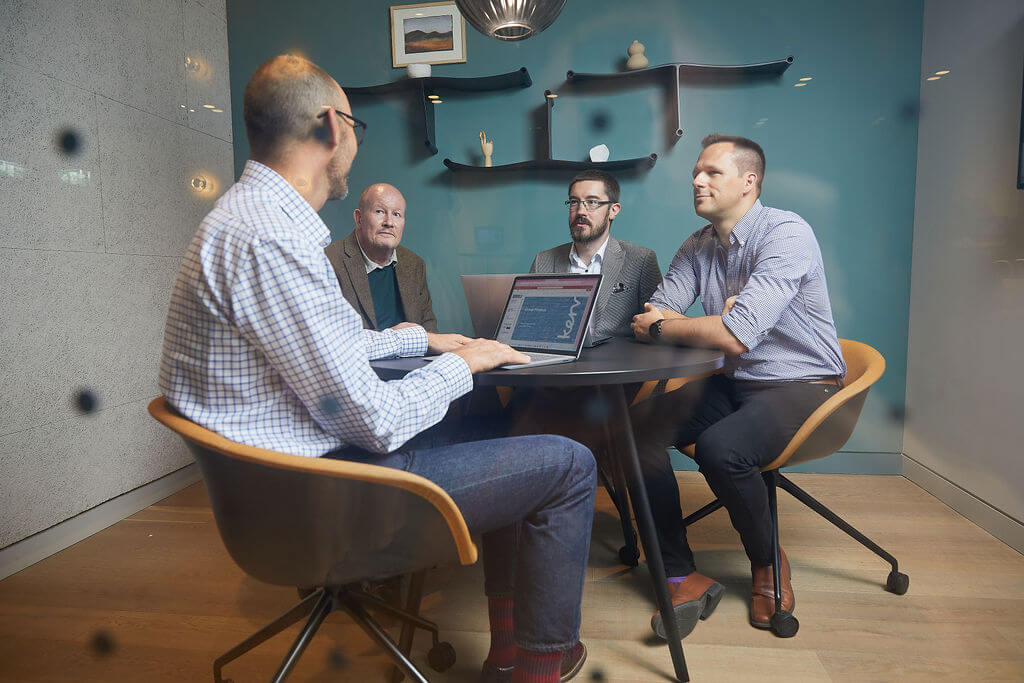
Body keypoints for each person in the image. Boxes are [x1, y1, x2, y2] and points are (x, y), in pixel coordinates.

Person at [158, 54, 593, 683]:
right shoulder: (273, 239)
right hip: (328, 497)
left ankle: (507, 644)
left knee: (498, 439)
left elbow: (329, 344)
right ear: (334, 127)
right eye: (357, 126)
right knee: (570, 464)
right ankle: (541, 664)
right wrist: (466, 363)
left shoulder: (245, 219)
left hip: (277, 487)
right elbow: (378, 421)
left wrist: (424, 339)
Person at [629, 134, 846, 640]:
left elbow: (733, 334)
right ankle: (680, 572)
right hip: (735, 382)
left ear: (749, 182)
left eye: (711, 173)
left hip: (803, 382)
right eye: (695, 174)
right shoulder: (697, 244)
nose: (696, 181)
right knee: (632, 431)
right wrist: (698, 324)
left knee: (720, 448)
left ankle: (768, 561)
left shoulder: (787, 234)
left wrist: (690, 325)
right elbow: (653, 313)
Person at [530, 169, 662, 339]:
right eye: (574, 202)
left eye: (592, 202)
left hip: (618, 362)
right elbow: (530, 326)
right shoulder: (543, 261)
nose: (580, 212)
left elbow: (656, 324)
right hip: (556, 360)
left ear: (613, 210)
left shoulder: (641, 260)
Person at [325, 183, 439, 332]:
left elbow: (429, 329)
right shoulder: (329, 261)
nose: (389, 223)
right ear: (359, 218)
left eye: (396, 214)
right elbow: (334, 338)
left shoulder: (415, 264)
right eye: (379, 211)